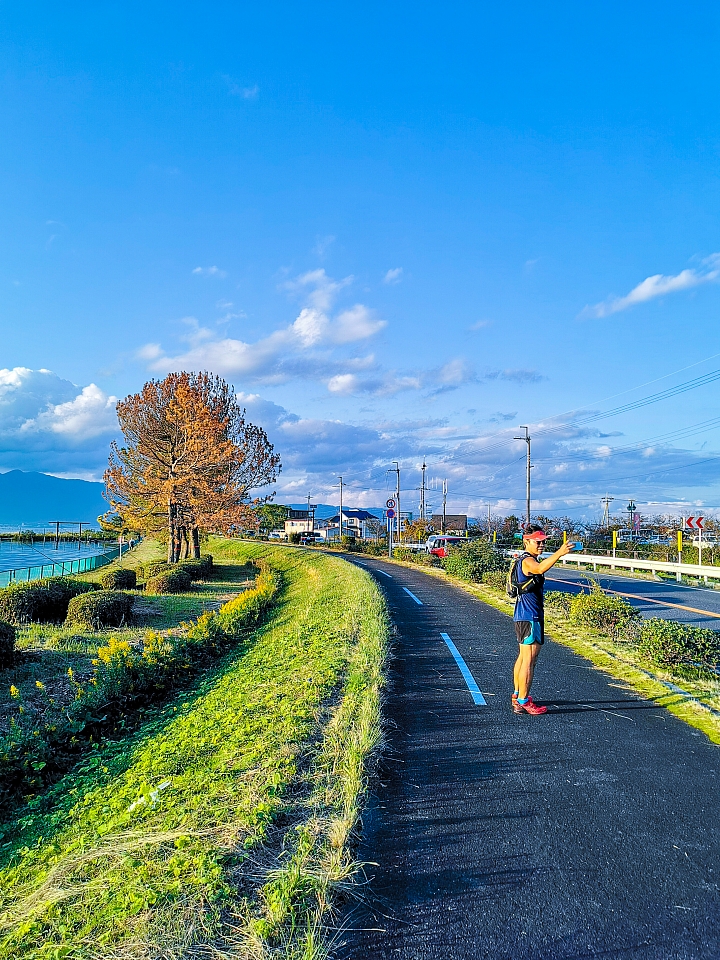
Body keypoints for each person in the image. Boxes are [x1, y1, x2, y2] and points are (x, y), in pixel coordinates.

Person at [512, 524, 573, 715]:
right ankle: (523, 700)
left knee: (524, 657)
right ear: (526, 541)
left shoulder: (524, 559)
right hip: (530, 616)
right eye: (537, 541)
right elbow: (539, 569)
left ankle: (517, 695)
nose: (541, 544)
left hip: (525, 615)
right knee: (529, 659)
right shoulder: (528, 561)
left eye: (543, 541)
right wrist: (559, 553)